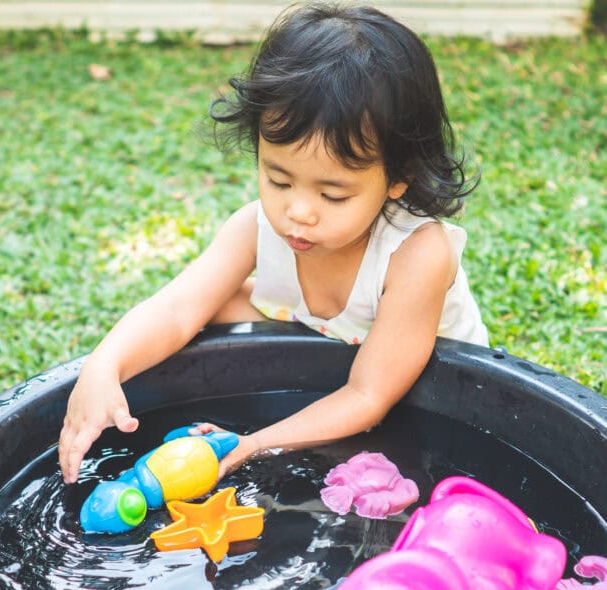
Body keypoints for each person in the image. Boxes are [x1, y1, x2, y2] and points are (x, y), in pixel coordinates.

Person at [59, 2, 488, 485]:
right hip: (327, 345)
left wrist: (256, 443)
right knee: (212, 305)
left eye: (333, 194)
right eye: (279, 180)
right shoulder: (256, 227)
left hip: (428, 397)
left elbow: (369, 397)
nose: (297, 212)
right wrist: (104, 364)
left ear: (399, 178)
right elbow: (178, 308)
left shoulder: (417, 254)